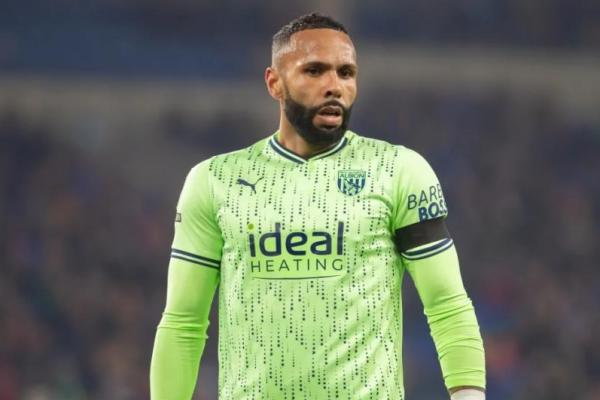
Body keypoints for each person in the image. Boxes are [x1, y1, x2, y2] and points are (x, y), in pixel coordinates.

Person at [150, 13, 486, 400]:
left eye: (346, 73)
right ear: (274, 83)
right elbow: (184, 323)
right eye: (314, 71)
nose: (334, 86)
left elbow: (446, 304)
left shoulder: (398, 171)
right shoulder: (214, 180)